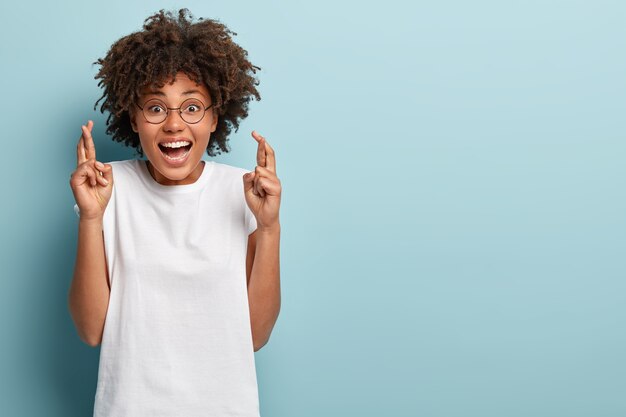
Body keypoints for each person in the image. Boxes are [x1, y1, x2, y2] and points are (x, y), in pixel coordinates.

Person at [67, 9, 281, 417]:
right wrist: (90, 218)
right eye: (155, 108)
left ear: (216, 116)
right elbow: (90, 329)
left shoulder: (244, 191)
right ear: (134, 116)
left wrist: (269, 227)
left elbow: (254, 335)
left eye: (192, 107)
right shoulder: (108, 189)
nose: (174, 125)